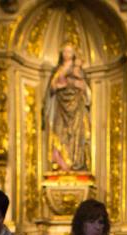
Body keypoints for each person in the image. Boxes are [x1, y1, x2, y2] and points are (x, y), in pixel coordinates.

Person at [45, 42, 90, 172]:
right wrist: (60, 85)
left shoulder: (78, 69)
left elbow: (85, 89)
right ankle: (61, 164)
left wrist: (78, 84)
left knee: (76, 133)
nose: (67, 54)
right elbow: (52, 87)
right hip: (60, 107)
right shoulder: (58, 70)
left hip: (76, 107)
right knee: (59, 132)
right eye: (65, 51)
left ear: (74, 54)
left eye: (69, 51)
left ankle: (75, 162)